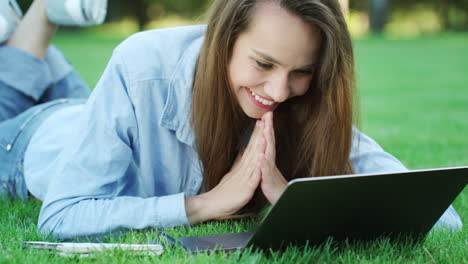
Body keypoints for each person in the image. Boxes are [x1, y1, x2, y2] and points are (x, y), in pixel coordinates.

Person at [0, 0, 462, 239]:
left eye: (300, 72)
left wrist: (298, 201)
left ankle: (30, 34)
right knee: (14, 88)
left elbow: (443, 219)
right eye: (263, 65)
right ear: (223, 41)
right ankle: (40, 13)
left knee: (41, 69)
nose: (279, 92)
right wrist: (204, 205)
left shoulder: (301, 103)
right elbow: (60, 216)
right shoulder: (142, 65)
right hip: (28, 142)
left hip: (92, 117)